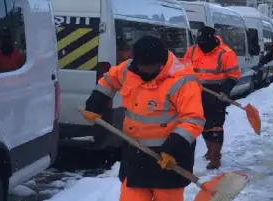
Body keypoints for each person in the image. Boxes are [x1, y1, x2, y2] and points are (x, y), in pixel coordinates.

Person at [81, 35, 205, 201]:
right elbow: (108, 82)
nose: (146, 71)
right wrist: (94, 105)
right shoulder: (128, 69)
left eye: (151, 67)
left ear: (161, 62)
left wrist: (172, 149)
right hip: (135, 152)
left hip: (169, 156)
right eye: (142, 66)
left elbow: (193, 120)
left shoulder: (183, 80)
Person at [184, 26, 240, 169]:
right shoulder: (192, 50)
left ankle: (216, 157)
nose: (202, 46)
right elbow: (184, 69)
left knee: (215, 126)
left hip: (217, 92)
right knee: (203, 125)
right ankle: (210, 150)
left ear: (214, 40)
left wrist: (225, 91)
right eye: (200, 43)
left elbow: (233, 76)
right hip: (196, 91)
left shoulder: (226, 53)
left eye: (205, 43)